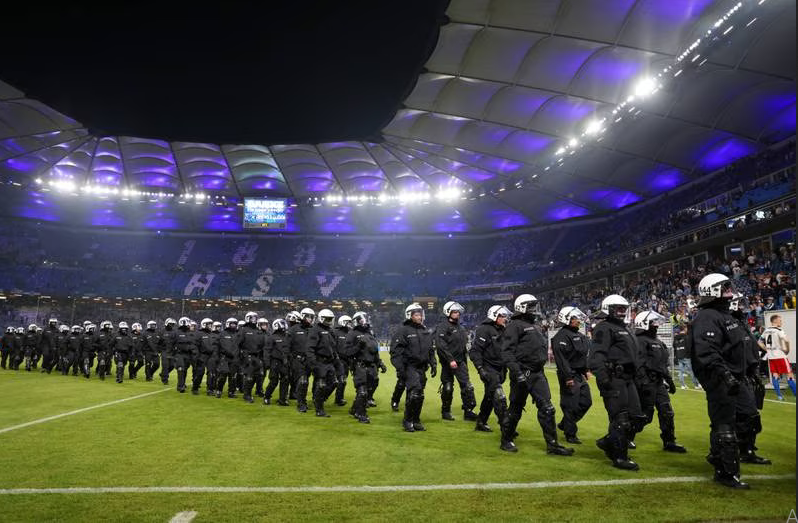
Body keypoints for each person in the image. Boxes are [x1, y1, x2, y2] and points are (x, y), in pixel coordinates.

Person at [690, 273, 751, 488]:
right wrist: (724, 375)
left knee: (748, 417)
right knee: (724, 426)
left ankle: (717, 456)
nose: (729, 290)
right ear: (712, 291)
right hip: (721, 378)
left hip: (736, 377)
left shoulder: (726, 315)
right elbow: (707, 351)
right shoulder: (707, 316)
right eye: (724, 287)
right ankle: (726, 473)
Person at [501, 294, 573, 456]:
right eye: (531, 306)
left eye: (534, 306)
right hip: (523, 373)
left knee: (548, 408)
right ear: (521, 307)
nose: (534, 310)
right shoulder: (515, 326)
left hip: (537, 373)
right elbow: (507, 352)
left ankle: (553, 445)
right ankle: (505, 440)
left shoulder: (535, 326)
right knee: (515, 408)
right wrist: (516, 372)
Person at [589, 294, 642, 471]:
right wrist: (604, 377)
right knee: (621, 418)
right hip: (613, 377)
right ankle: (619, 457)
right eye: (618, 309)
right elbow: (596, 355)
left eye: (623, 309)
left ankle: (607, 442)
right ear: (608, 309)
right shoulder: (603, 327)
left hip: (628, 378)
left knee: (636, 417)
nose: (622, 312)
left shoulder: (625, 329)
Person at [632, 311, 686, 453]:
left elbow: (663, 365)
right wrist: (643, 382)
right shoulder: (639, 341)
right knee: (645, 415)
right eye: (653, 323)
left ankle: (669, 441)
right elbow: (638, 364)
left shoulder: (658, 342)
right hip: (646, 382)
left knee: (667, 412)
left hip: (659, 383)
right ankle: (626, 437)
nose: (656, 325)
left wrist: (669, 381)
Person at [730, 294, 771, 465]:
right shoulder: (730, 325)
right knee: (748, 415)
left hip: (750, 374)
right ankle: (743, 450)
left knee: (749, 414)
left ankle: (747, 449)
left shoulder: (742, 324)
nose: (743, 307)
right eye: (739, 304)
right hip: (738, 375)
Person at [390, 303, 436, 432]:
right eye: (416, 314)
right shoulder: (403, 330)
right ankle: (407, 420)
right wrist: (400, 368)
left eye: (420, 314)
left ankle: (416, 420)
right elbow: (395, 352)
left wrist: (433, 364)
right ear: (409, 316)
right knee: (415, 393)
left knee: (419, 395)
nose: (419, 316)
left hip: (422, 368)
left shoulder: (425, 330)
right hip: (409, 366)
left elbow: (431, 350)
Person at [551, 306, 592, 444]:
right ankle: (570, 434)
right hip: (568, 375)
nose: (578, 320)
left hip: (579, 375)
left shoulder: (580, 336)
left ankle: (565, 424)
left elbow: (581, 356)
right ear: (567, 319)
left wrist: (586, 369)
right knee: (571, 405)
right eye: (575, 318)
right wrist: (568, 377)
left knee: (587, 402)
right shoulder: (560, 337)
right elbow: (562, 360)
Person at [469, 305, 510, 433]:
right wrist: (480, 368)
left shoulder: (504, 330)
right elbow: (475, 351)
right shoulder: (484, 329)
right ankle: (507, 428)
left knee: (490, 396)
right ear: (494, 316)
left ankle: (481, 422)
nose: (505, 318)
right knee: (499, 396)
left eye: (505, 316)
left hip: (501, 369)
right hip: (488, 368)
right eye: (502, 316)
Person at [435, 301, 478, 421]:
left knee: (467, 387)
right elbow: (441, 345)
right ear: (448, 312)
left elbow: (463, 347)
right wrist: (450, 360)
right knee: (448, 387)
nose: (457, 314)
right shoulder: (442, 327)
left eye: (458, 312)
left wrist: (465, 361)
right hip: (448, 363)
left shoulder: (461, 328)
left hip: (461, 362)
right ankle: (446, 411)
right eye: (454, 312)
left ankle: (468, 411)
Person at [346, 311, 387, 423]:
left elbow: (375, 351)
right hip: (360, 366)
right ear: (356, 322)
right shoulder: (352, 334)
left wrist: (380, 363)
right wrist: (358, 346)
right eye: (361, 320)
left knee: (369, 390)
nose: (364, 322)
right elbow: (347, 352)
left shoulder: (370, 333)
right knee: (362, 392)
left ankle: (354, 409)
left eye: (365, 319)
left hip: (372, 366)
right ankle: (361, 414)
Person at [307, 309, 338, 417]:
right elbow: (310, 349)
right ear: (321, 318)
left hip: (330, 362)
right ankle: (319, 410)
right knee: (321, 385)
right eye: (328, 319)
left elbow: (333, 347)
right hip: (319, 362)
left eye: (331, 319)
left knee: (334, 383)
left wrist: (336, 360)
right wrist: (314, 364)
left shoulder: (331, 330)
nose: (330, 321)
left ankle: (319, 399)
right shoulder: (315, 330)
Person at [287, 308, 315, 413]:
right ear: (303, 316)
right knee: (303, 381)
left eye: (312, 317)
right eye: (309, 317)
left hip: (311, 360)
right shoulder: (293, 329)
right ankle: (301, 404)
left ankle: (316, 401)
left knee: (311, 382)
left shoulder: (313, 329)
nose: (311, 319)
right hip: (297, 360)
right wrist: (289, 359)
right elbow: (286, 345)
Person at [762, 314, 795, 400]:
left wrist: (767, 349)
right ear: (775, 321)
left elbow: (759, 342)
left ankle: (779, 396)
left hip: (771, 357)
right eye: (780, 320)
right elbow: (787, 340)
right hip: (780, 356)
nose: (781, 322)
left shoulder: (766, 330)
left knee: (775, 375)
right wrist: (787, 350)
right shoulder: (779, 330)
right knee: (790, 375)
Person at [237, 312, 265, 403]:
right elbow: (237, 343)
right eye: (252, 318)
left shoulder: (258, 331)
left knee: (258, 376)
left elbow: (262, 344)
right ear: (248, 318)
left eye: (256, 318)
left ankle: (251, 392)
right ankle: (247, 395)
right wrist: (241, 355)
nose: (254, 320)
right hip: (247, 356)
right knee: (249, 376)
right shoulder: (243, 330)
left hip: (257, 356)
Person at [263, 319, 290, 406]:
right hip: (275, 362)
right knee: (274, 381)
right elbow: (267, 351)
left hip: (284, 362)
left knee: (285, 381)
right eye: (282, 324)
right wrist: (267, 363)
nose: (284, 325)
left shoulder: (287, 336)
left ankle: (282, 399)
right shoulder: (272, 337)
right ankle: (267, 397)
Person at [194, 318, 220, 396]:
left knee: (211, 373)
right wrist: (197, 356)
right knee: (200, 373)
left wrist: (215, 355)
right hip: (202, 355)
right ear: (204, 324)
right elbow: (195, 346)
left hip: (211, 356)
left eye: (211, 324)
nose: (210, 326)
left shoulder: (213, 335)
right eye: (209, 324)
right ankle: (195, 388)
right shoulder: (198, 334)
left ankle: (210, 389)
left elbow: (216, 346)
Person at [216, 318, 240, 398]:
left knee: (233, 377)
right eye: (231, 324)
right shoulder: (222, 334)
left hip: (235, 359)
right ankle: (219, 390)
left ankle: (231, 392)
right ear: (228, 324)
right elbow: (220, 346)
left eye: (234, 324)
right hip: (225, 358)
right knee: (222, 376)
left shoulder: (238, 334)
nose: (233, 325)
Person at [173, 317, 197, 393]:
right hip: (179, 353)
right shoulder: (176, 333)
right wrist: (171, 353)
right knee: (181, 368)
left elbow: (193, 344)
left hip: (188, 354)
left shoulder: (191, 333)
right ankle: (181, 386)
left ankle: (181, 383)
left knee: (184, 369)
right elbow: (171, 343)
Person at [333, 315, 352, 407]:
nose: (350, 324)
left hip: (347, 361)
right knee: (339, 380)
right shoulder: (335, 332)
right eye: (348, 322)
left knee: (343, 380)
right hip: (338, 360)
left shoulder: (350, 333)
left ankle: (339, 398)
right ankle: (323, 396)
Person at [673, 324, 701, 390]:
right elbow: (689, 347)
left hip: (679, 356)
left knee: (681, 372)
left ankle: (682, 385)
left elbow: (674, 347)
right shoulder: (686, 337)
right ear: (685, 329)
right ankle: (696, 385)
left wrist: (677, 355)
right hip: (687, 357)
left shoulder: (675, 338)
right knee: (692, 371)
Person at [160, 318, 178, 385]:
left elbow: (176, 342)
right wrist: (160, 350)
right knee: (165, 365)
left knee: (172, 366)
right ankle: (165, 379)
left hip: (172, 351)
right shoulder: (162, 332)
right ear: (166, 323)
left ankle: (162, 374)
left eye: (173, 324)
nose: (172, 325)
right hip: (164, 351)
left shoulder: (174, 332)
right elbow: (159, 342)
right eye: (171, 324)